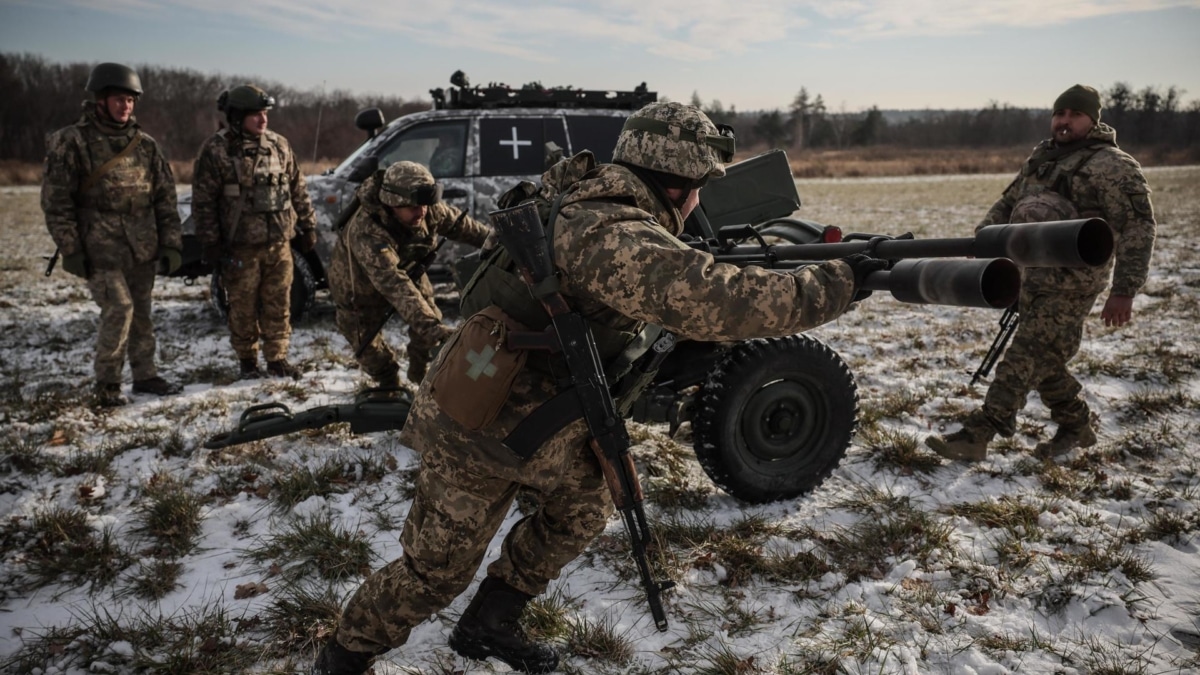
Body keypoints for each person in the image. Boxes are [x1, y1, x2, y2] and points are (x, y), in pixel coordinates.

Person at [312, 102, 885, 674]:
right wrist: (839, 280)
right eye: (701, 187)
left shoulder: (594, 198)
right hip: (483, 422)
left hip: (552, 414)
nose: (700, 201)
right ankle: (344, 654)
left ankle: (490, 621)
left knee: (580, 512)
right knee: (434, 574)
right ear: (682, 183)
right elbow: (722, 303)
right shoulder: (609, 231)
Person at [926, 84, 1157, 462]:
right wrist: (981, 243)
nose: (1064, 121)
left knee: (1023, 356)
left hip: (1073, 285)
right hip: (1030, 277)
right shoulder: (1044, 158)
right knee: (1045, 359)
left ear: (1092, 120)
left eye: (1074, 114)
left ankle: (978, 434)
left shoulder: (1114, 166)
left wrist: (1125, 290)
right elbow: (1008, 203)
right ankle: (1076, 427)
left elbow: (1138, 227)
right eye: (1059, 113)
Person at [41, 62, 184, 407]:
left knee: (143, 311)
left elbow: (165, 198)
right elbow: (56, 202)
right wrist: (71, 249)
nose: (126, 107)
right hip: (99, 248)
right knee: (119, 309)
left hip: (142, 245)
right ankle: (107, 384)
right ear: (100, 100)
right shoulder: (71, 142)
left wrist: (171, 244)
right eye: (119, 99)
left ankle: (145, 375)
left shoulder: (145, 145)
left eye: (131, 101)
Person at [326, 161, 490, 389]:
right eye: (413, 207)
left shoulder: (426, 208)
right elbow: (395, 284)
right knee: (370, 352)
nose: (421, 212)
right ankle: (389, 386)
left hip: (408, 271)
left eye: (425, 205)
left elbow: (468, 229)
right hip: (359, 290)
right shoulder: (367, 231)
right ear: (393, 203)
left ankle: (420, 378)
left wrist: (498, 242)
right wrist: (434, 330)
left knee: (427, 325)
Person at [191, 84, 317, 380]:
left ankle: (277, 359)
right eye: (256, 115)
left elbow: (298, 188)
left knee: (279, 303)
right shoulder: (216, 150)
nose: (263, 120)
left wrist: (308, 225)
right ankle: (248, 362)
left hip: (279, 245)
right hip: (240, 248)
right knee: (243, 307)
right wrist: (210, 241)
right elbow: (204, 201)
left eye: (265, 113)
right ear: (237, 117)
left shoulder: (279, 145)